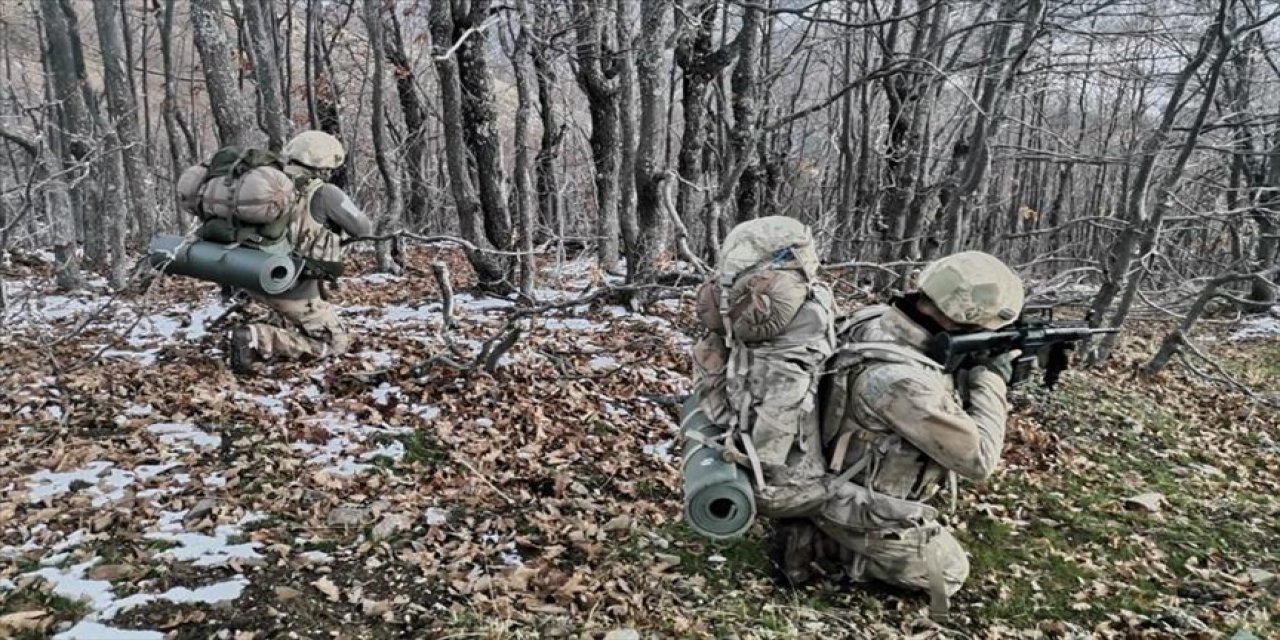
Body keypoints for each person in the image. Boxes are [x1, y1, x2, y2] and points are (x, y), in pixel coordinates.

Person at [773, 250, 1025, 620]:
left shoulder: (875, 319)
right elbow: (979, 460)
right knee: (950, 572)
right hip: (851, 497)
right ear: (967, 320)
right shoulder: (904, 382)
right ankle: (820, 543)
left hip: (828, 467)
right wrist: (992, 379)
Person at [225, 130, 372, 373]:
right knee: (335, 344)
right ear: (324, 163)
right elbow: (363, 228)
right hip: (293, 288)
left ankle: (269, 320)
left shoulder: (264, 184)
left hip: (250, 276)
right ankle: (257, 337)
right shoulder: (324, 192)